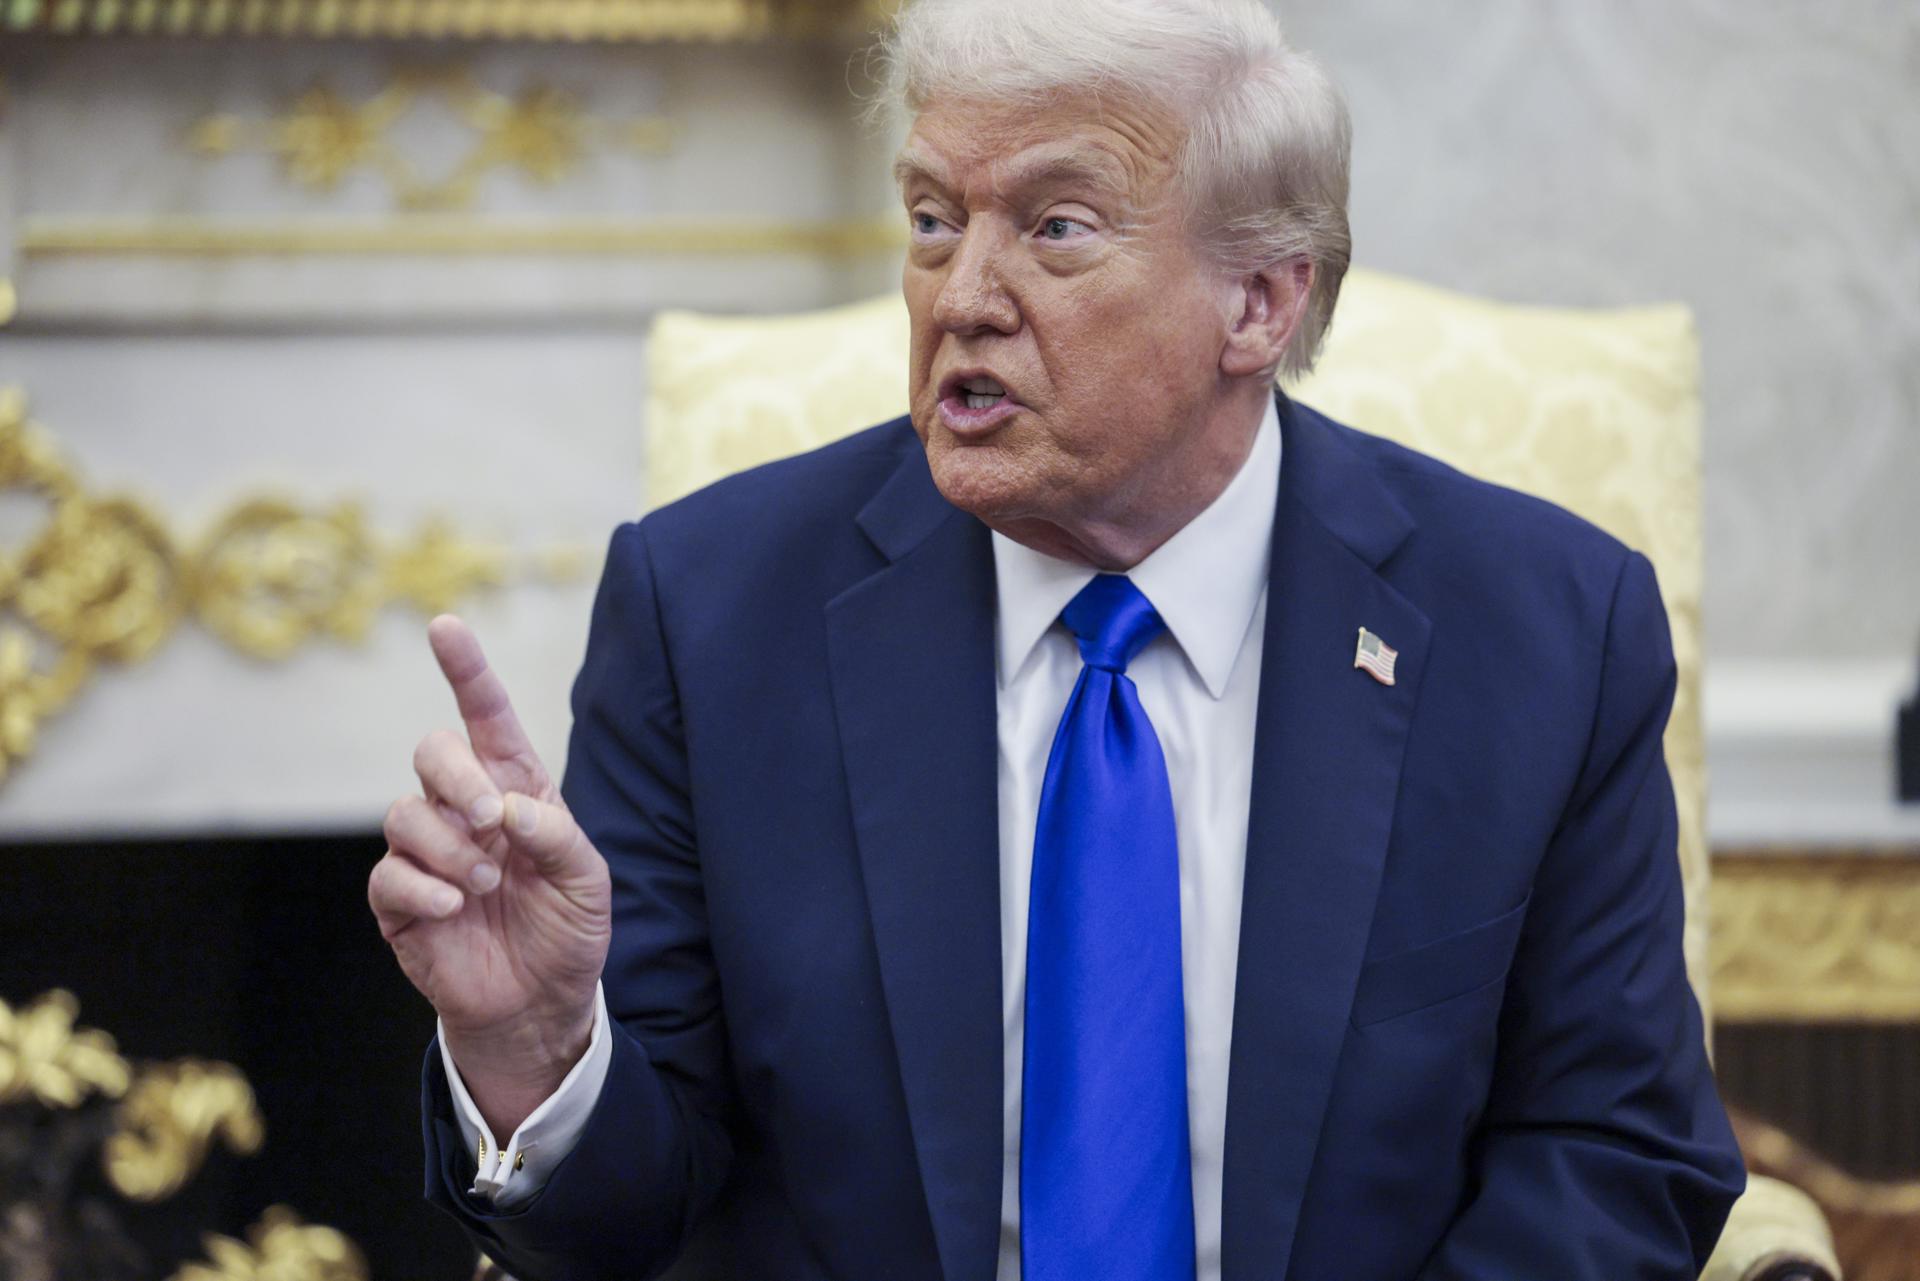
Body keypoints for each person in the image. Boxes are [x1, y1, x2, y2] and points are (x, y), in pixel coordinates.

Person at [367, 0, 1746, 1277]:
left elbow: (1618, 1153)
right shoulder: (710, 610)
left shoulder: (1544, 634)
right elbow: (628, 1220)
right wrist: (537, 1046)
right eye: (929, 220)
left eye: (1057, 228)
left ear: (1260, 300)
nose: (961, 295)